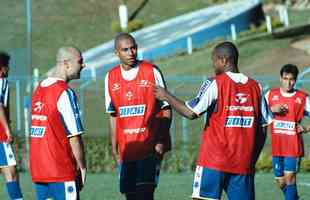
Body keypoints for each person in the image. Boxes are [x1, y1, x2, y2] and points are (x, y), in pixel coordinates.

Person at [155, 41, 271, 200]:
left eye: (214, 60)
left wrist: (165, 95)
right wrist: (252, 157)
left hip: (213, 162)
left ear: (223, 60)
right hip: (243, 163)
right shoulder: (256, 87)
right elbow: (263, 127)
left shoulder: (215, 82)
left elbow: (190, 113)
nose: (213, 65)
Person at [105, 33, 172, 200]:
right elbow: (113, 115)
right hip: (127, 150)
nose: (131, 52)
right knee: (131, 196)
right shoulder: (110, 77)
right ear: (116, 53)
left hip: (149, 148)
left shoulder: (151, 71)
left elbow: (166, 108)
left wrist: (161, 141)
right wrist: (114, 147)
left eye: (133, 48)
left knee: (145, 195)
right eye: (125, 49)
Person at [30, 47, 87, 200]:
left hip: (39, 170)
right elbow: (74, 136)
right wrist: (82, 167)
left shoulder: (39, 89)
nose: (83, 65)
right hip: (60, 170)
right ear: (66, 64)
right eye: (80, 61)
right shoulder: (64, 92)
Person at [265, 64, 310, 200]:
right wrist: (272, 109)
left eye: (291, 79)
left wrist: (306, 128)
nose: (288, 82)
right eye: (285, 78)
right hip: (277, 146)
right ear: (280, 78)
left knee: (290, 177)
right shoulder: (270, 95)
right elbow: (257, 113)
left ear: (295, 80)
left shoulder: (302, 98)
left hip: (293, 146)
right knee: (281, 182)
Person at [0, 52, 23, 200]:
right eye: (7, 66)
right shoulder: (1, 81)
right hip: (0, 134)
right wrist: (8, 130)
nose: (9, 69)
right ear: (2, 68)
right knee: (11, 173)